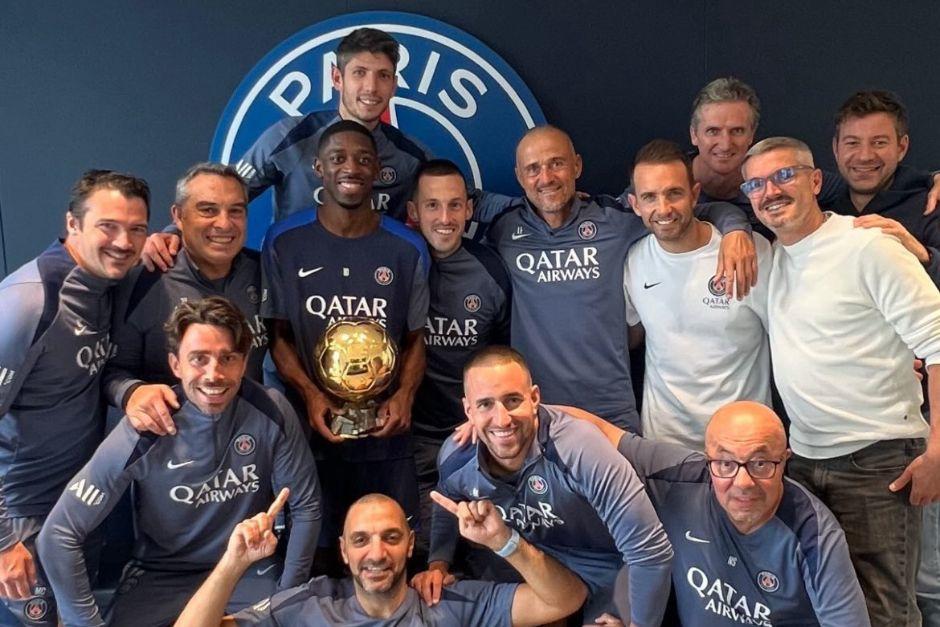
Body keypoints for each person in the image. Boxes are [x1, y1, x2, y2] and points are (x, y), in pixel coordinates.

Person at [741, 136, 940, 626]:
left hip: (877, 462)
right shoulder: (773, 260)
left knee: (883, 611)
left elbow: (938, 345)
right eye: (756, 183)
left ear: (814, 181)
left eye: (784, 175)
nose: (771, 191)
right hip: (805, 461)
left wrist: (938, 451)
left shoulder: (868, 246)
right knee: (824, 604)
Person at [37, 297, 321, 627]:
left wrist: (288, 596)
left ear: (244, 363)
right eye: (199, 359)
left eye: (227, 358)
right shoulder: (146, 427)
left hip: (248, 570)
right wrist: (87, 624)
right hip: (161, 574)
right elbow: (58, 534)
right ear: (176, 364)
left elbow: (306, 506)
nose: (213, 374)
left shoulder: (270, 410)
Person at [487, 124, 754, 433]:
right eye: (533, 169)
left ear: (577, 166)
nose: (546, 177)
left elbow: (693, 211)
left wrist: (736, 228)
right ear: (519, 177)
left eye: (556, 163)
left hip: (611, 413)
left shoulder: (615, 218)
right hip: (538, 411)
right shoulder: (504, 227)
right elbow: (455, 200)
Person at [261, 119, 428, 568]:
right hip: (311, 430)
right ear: (318, 167)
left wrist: (404, 395)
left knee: (389, 560)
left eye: (362, 158)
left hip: (385, 436)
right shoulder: (283, 241)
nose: (350, 167)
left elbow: (415, 337)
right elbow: (276, 336)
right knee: (314, 560)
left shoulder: (408, 247)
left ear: (378, 170)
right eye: (337, 158)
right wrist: (313, 396)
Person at [418, 346, 674, 624]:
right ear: (468, 410)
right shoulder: (457, 455)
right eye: (485, 405)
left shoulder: (579, 449)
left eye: (513, 400)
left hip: (606, 566)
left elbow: (649, 551)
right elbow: (445, 500)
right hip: (530, 560)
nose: (502, 419)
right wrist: (438, 563)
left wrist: (638, 623)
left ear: (535, 398)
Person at [566, 401, 870, 627]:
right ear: (708, 459)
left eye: (761, 464)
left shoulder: (814, 534)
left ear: (784, 460)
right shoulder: (682, 475)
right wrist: (523, 417)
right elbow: (602, 433)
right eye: (725, 464)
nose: (742, 483)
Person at [0, 170, 149, 625]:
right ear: (73, 224)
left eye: (137, 229)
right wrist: (3, 540)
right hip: (21, 523)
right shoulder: (27, 301)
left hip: (78, 513)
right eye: (108, 226)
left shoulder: (106, 283)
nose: (124, 242)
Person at [175, 492, 587, 626]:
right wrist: (233, 563)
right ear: (343, 551)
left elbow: (565, 600)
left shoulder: (451, 603)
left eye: (391, 538)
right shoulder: (310, 605)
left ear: (410, 544)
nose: (376, 553)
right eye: (361, 540)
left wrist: (503, 540)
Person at [624, 139, 771, 448]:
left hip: (742, 446)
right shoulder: (634, 260)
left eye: (674, 193)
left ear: (694, 194)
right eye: (650, 197)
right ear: (635, 205)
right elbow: (632, 338)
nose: (663, 209)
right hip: (665, 447)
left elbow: (789, 341)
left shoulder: (751, 251)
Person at [104, 163, 268, 436]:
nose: (224, 223)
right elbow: (110, 371)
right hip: (168, 445)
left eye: (236, 211)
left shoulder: (264, 272)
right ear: (178, 217)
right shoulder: (143, 280)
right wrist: (131, 392)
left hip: (246, 447)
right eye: (208, 210)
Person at [406, 158, 511, 558]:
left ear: (470, 209)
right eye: (432, 206)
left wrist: (479, 417)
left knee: (482, 546)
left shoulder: (492, 271)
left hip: (473, 434)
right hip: (409, 436)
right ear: (414, 212)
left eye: (454, 205)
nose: (445, 218)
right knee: (426, 550)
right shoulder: (397, 261)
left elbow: (504, 354)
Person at [829, 90, 940, 287]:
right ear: (836, 149)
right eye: (852, 143)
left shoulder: (931, 207)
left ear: (901, 148)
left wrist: (923, 255)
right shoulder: (821, 208)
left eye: (879, 143)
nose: (865, 156)